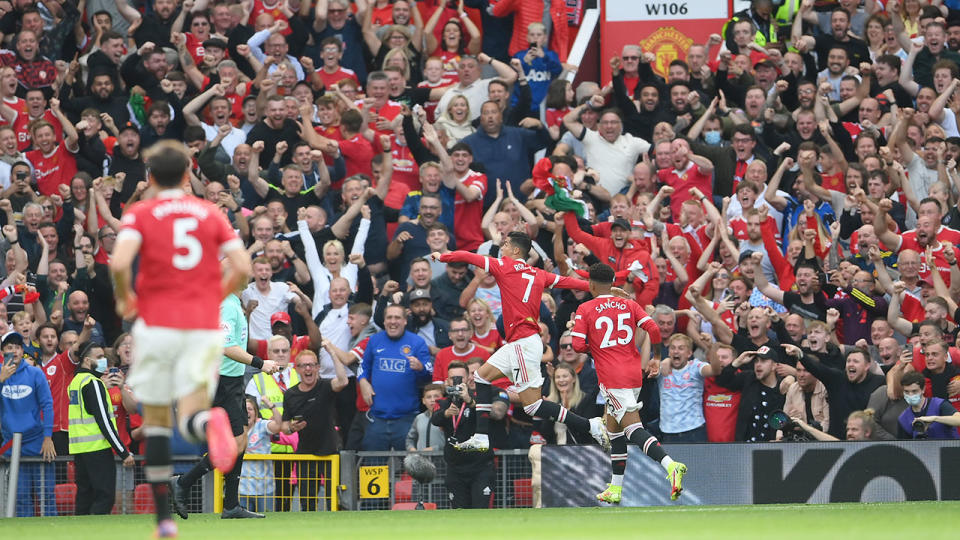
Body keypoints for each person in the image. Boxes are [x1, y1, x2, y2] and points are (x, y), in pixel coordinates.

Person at [111, 141, 251, 538]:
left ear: (150, 177)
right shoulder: (208, 213)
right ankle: (210, 420)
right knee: (191, 413)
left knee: (156, 422)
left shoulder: (141, 212)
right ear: (189, 175)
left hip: (157, 322)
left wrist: (125, 296)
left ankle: (164, 523)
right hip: (201, 323)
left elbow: (120, 262)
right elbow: (241, 265)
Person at [431, 231, 609, 452]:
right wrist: (604, 291)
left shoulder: (503, 265)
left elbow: (469, 257)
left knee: (533, 406)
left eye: (505, 244)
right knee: (480, 378)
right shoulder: (538, 273)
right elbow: (570, 282)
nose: (502, 247)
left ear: (515, 250)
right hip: (519, 342)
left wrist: (443, 256)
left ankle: (590, 425)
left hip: (523, 343)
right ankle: (481, 436)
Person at [570, 263, 687, 503]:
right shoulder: (629, 304)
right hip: (632, 374)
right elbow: (652, 327)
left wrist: (599, 347)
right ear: (613, 282)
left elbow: (577, 346)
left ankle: (670, 465)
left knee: (633, 429)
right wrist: (655, 357)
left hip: (613, 377)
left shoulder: (585, 308)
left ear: (591, 284)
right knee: (614, 431)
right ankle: (615, 487)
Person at [173, 274, 279, 521]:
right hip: (222, 382)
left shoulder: (232, 303)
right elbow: (226, 347)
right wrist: (260, 363)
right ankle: (184, 483)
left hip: (231, 382)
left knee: (240, 443)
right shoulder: (228, 306)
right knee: (235, 444)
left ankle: (231, 504)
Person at [67, 340, 135, 515]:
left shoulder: (76, 382)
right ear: (88, 361)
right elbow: (104, 421)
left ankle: (81, 532)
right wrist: (123, 451)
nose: (104, 360)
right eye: (99, 357)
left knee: (84, 495)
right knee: (105, 496)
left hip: (80, 449)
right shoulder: (93, 383)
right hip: (97, 448)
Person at [431, 360, 506, 508]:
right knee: (459, 512)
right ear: (447, 381)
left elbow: (493, 414)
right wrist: (446, 413)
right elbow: (434, 419)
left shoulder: (480, 399)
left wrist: (469, 401)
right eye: (453, 378)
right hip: (455, 468)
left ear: (468, 379)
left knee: (481, 511)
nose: (457, 382)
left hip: (480, 467)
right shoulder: (443, 402)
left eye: (460, 378)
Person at [357, 303, 433, 450]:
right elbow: (363, 367)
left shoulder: (417, 343)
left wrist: (420, 368)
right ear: (384, 321)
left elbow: (429, 376)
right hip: (377, 418)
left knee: (410, 467)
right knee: (373, 468)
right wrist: (363, 381)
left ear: (405, 321)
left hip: (407, 419)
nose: (393, 321)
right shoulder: (374, 341)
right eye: (389, 318)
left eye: (397, 317)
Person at [279, 349, 348, 510]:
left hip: (329, 452)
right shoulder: (290, 394)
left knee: (333, 502)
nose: (308, 369)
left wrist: (332, 353)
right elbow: (284, 425)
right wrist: (291, 427)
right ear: (296, 369)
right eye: (303, 366)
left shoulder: (325, 386)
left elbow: (343, 381)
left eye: (311, 365)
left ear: (318, 367)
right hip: (305, 454)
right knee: (307, 504)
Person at [0, 330, 56, 517]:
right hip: (11, 445)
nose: (14, 351)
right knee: (21, 497)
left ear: (22, 350)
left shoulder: (35, 373)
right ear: (2, 352)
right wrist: (1, 380)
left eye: (17, 347)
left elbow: (47, 404)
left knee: (46, 496)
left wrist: (48, 437)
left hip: (37, 443)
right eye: (9, 347)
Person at [898, 371, 960, 439]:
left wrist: (935, 418)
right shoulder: (903, 418)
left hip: (949, 448)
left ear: (923, 389)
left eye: (914, 391)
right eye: (906, 391)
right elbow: (903, 445)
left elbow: (958, 419)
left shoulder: (939, 404)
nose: (910, 395)